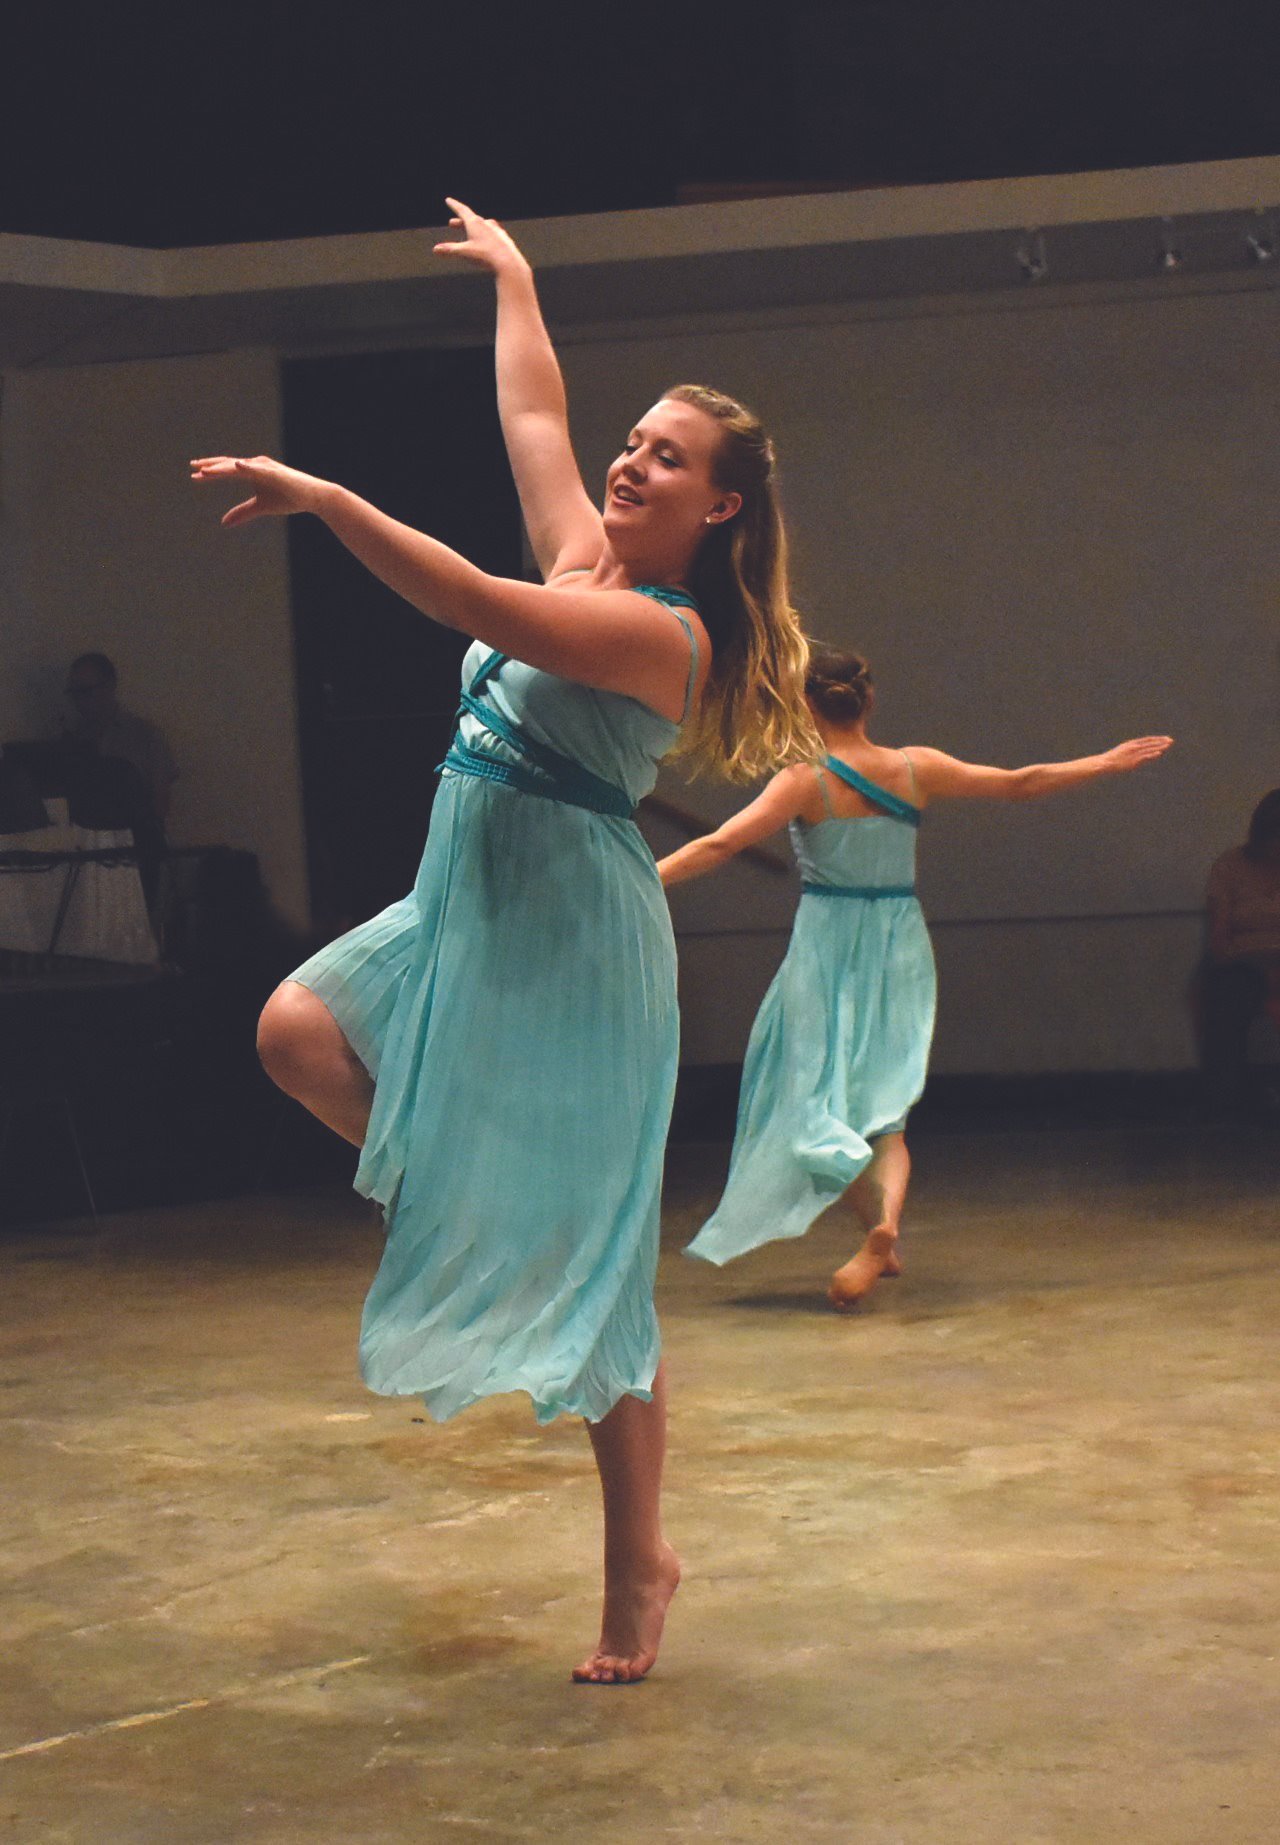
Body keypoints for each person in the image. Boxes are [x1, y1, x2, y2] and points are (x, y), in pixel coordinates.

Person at [192, 199, 817, 1684]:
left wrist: (331, 500)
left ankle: (635, 1570)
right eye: (638, 440)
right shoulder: (583, 556)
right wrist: (520, 280)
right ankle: (462, 1199)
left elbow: (471, 604)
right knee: (294, 1031)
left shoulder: (666, 631)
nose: (629, 459)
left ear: (717, 506)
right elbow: (532, 406)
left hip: (569, 942)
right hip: (459, 904)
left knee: (602, 1282)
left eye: (666, 457)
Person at [658, 646, 1173, 1308]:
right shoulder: (914, 768)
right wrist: (1104, 761)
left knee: (816, 1098)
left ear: (807, 705)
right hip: (898, 939)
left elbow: (721, 843)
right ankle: (885, 1230)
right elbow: (1021, 781)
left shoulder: (803, 780)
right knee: (886, 1114)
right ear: (867, 702)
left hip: (828, 942)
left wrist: (650, 875)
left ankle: (877, 1230)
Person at [1199, 789, 1280, 1115]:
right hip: (1243, 963)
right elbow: (1219, 941)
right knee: (1229, 994)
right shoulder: (1231, 867)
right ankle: (1234, 1098)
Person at [63, 652, 178, 831]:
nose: (80, 701)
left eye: (86, 692)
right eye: (75, 694)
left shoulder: (146, 736)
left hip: (137, 844)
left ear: (110, 686)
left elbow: (160, 804)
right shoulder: (70, 742)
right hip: (87, 847)